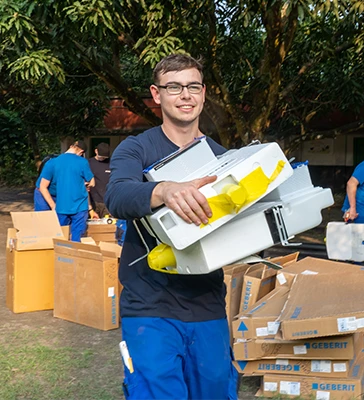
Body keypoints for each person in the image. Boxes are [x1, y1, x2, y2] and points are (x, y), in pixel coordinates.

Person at [105, 54, 238, 400]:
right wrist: (163, 189)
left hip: (207, 303)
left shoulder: (223, 159)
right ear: (157, 94)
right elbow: (116, 196)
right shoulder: (136, 148)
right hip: (149, 305)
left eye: (193, 86)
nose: (185, 95)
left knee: (216, 393)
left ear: (204, 93)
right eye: (174, 87)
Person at [39, 140, 97, 241]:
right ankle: (75, 255)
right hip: (80, 206)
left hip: (61, 206)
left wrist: (53, 205)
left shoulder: (52, 162)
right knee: (77, 239)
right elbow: (92, 182)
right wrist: (85, 184)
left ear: (71, 146)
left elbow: (42, 187)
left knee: (61, 238)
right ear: (81, 152)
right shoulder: (82, 162)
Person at [88, 142, 112, 217]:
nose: (102, 159)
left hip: (107, 202)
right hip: (93, 201)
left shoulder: (111, 163)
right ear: (96, 151)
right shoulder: (89, 163)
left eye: (105, 157)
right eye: (101, 156)